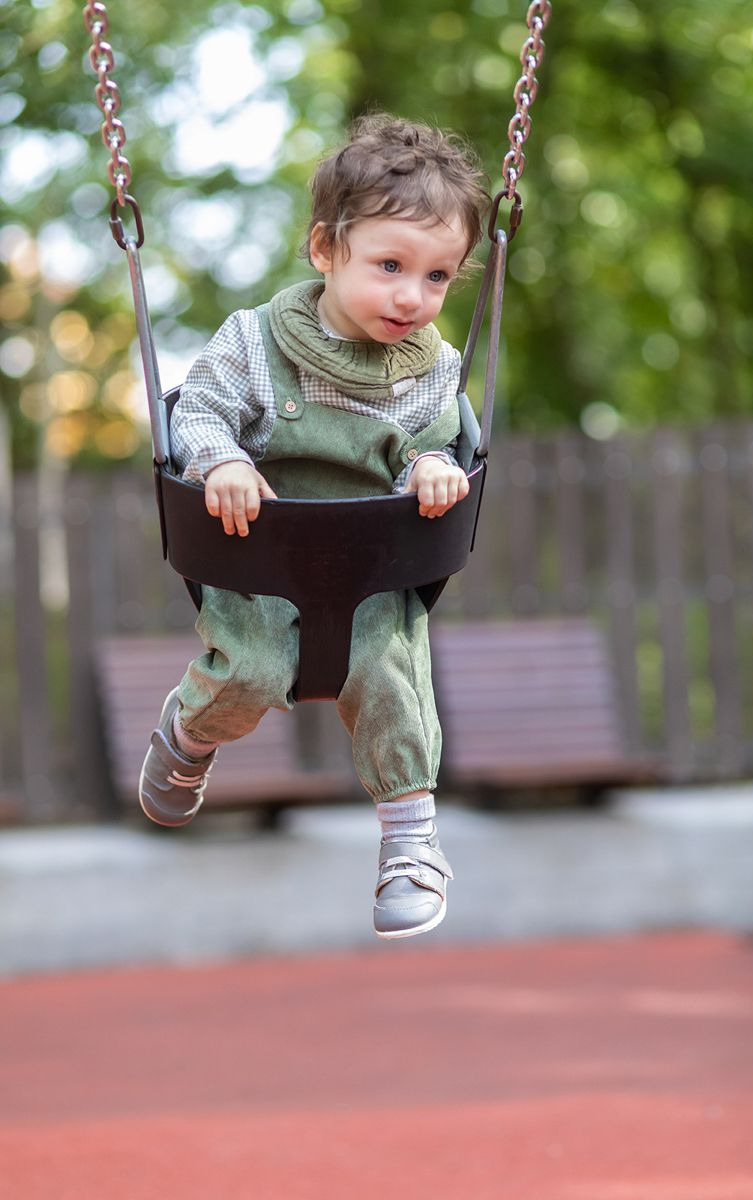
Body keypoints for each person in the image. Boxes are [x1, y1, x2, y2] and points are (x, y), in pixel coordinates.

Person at [138, 113, 490, 939]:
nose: (413, 295)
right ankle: (187, 736)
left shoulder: (435, 369)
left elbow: (434, 449)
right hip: (257, 556)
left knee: (389, 674)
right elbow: (202, 414)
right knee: (251, 673)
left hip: (369, 566)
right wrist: (221, 463)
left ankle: (411, 842)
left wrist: (430, 471)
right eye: (391, 265)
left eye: (438, 277)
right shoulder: (257, 341)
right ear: (325, 249)